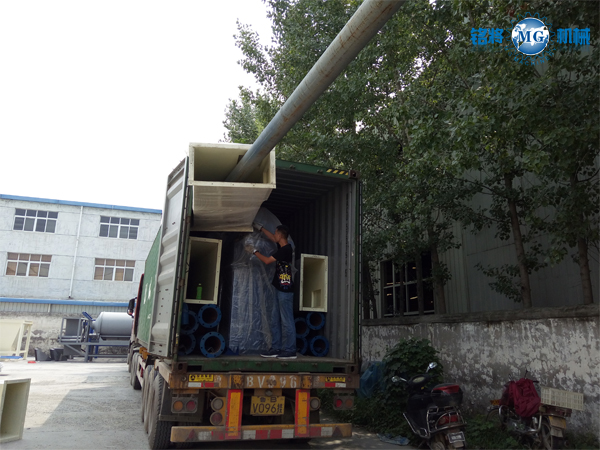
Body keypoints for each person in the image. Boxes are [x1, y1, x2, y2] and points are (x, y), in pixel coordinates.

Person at [251, 223, 296, 360]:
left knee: (287, 320)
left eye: (276, 233)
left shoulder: (285, 250)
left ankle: (290, 350)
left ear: (280, 235)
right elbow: (272, 237)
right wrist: (261, 228)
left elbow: (266, 261)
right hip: (279, 288)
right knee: (275, 319)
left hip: (285, 291)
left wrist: (254, 251)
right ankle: (276, 348)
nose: (274, 235)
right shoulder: (282, 246)